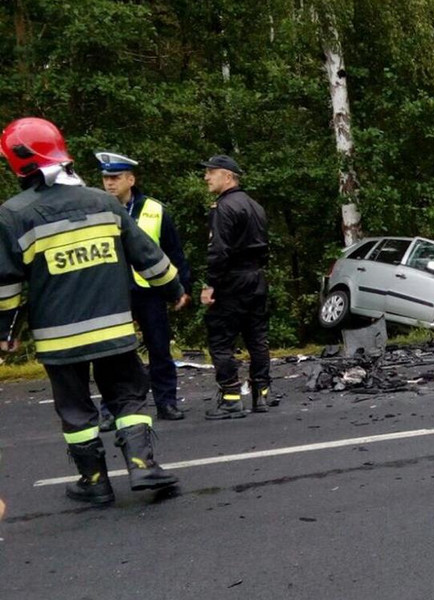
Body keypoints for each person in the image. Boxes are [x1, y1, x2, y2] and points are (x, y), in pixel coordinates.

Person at [0, 117, 185, 504]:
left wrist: (6, 331)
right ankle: (142, 465)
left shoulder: (13, 215)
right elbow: (148, 256)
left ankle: (95, 481)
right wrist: (174, 290)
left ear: (16, 163)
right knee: (129, 397)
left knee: (75, 408)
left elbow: (7, 283)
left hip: (58, 338)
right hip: (114, 330)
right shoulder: (104, 203)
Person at [95, 152, 191, 421]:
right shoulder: (96, 210)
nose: (109, 183)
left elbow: (173, 252)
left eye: (114, 178)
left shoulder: (155, 210)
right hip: (112, 292)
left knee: (159, 347)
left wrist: (181, 287)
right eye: (105, 178)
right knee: (113, 352)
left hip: (150, 290)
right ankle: (111, 407)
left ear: (131, 179)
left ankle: (166, 402)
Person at [198, 154, 272, 419]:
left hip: (232, 281)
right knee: (257, 338)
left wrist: (210, 285)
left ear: (227, 176)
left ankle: (231, 397)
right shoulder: (255, 206)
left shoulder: (223, 208)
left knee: (220, 340)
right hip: (256, 279)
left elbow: (219, 251)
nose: (206, 177)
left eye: (211, 172)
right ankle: (261, 395)